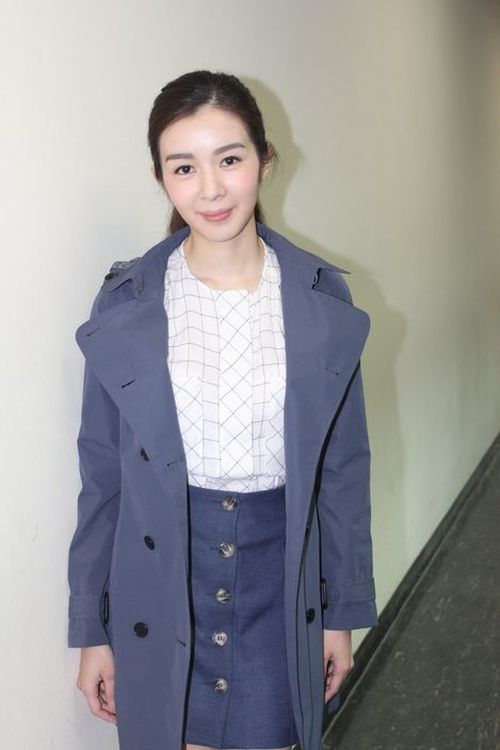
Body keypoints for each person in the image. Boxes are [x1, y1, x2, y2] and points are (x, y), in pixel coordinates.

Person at [67, 70, 378, 750]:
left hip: (281, 576)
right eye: (184, 167)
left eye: (229, 159)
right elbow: (102, 479)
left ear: (265, 161)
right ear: (162, 178)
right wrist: (92, 627)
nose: (209, 189)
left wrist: (340, 614)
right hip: (161, 577)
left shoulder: (322, 302)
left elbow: (343, 473)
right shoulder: (126, 304)